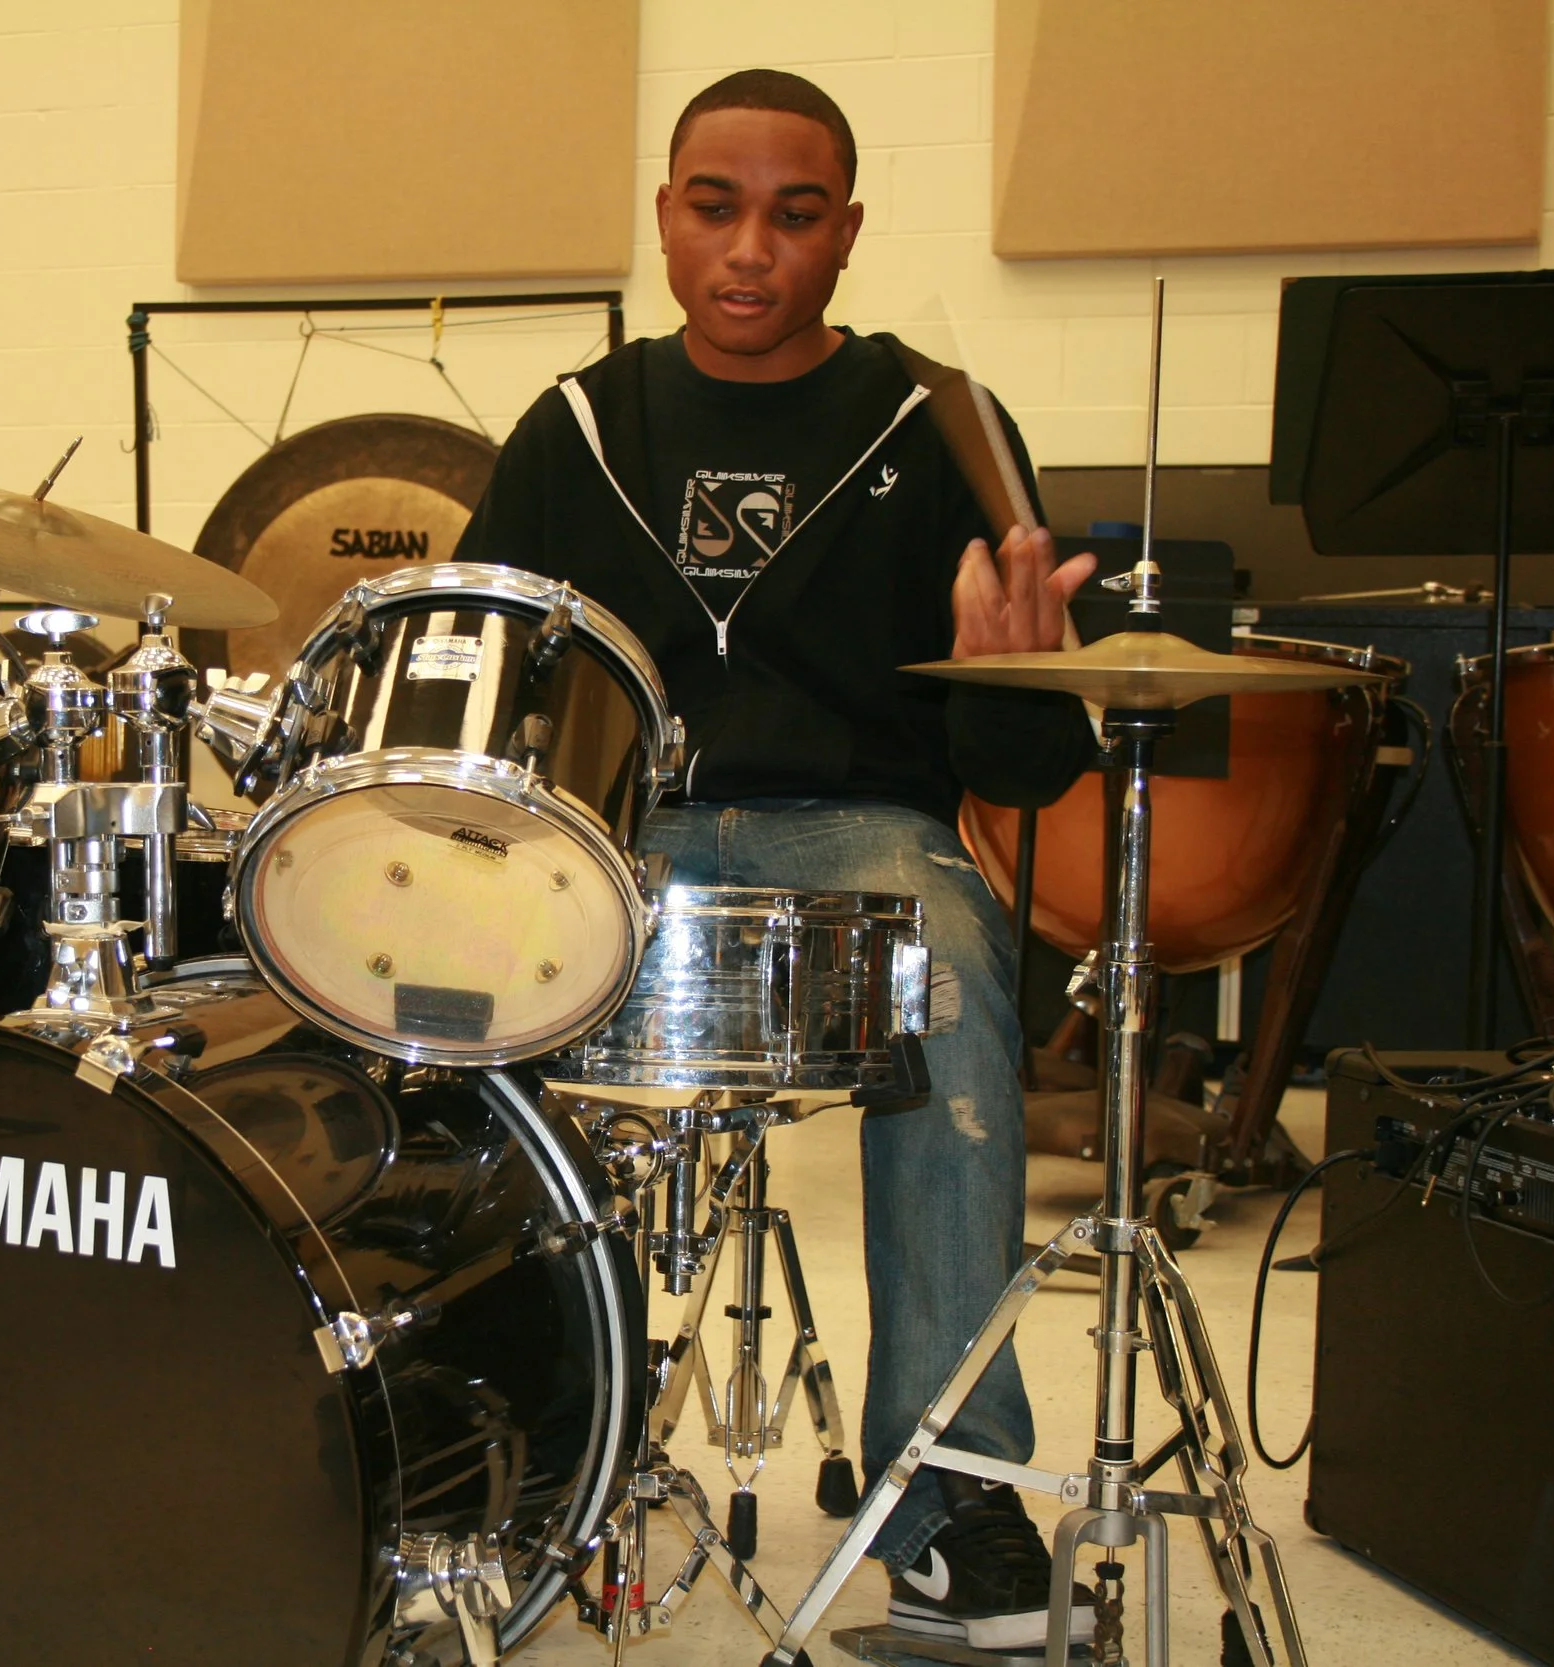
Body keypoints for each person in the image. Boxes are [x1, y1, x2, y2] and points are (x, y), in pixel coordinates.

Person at [454, 68, 1098, 1651]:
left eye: (795, 216)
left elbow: (1025, 773)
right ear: (667, 220)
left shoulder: (935, 417)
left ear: (850, 232)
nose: (752, 249)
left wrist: (1020, 674)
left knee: (952, 983)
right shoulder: (577, 429)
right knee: (437, 992)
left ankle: (952, 1493)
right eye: (715, 208)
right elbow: (480, 684)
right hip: (621, 837)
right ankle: (514, 1441)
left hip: (865, 841)